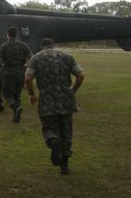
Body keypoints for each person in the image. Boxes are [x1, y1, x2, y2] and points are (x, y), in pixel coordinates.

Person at [25, 38, 85, 175]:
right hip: (66, 102)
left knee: (49, 129)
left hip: (47, 102)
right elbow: (81, 76)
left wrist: (31, 94)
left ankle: (53, 142)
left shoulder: (36, 58)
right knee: (66, 133)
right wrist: (73, 90)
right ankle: (64, 166)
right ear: (53, 45)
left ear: (42, 46)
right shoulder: (67, 56)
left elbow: (28, 78)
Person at [0, 27, 32, 123]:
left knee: (7, 94)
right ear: (16, 34)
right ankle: (16, 116)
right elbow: (31, 57)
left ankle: (16, 107)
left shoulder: (4, 46)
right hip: (20, 72)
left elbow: (0, 61)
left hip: (8, 72)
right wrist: (26, 65)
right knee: (17, 95)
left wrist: (0, 66)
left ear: (8, 34)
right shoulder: (23, 45)